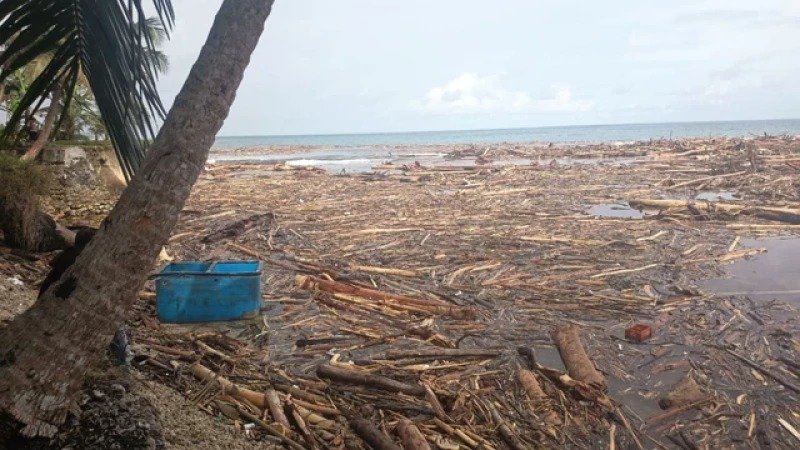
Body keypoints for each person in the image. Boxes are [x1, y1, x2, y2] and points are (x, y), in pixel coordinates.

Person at [38, 228, 130, 365]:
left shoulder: (68, 256)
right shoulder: (83, 263)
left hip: (49, 306)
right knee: (116, 326)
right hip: (64, 309)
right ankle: (121, 365)